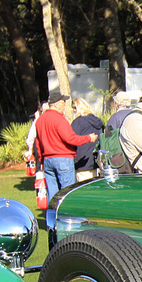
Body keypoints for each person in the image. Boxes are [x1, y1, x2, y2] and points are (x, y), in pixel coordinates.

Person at [34, 88, 96, 237]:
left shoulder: (40, 120)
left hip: (48, 160)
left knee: (53, 194)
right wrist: (88, 138)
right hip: (62, 158)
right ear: (56, 104)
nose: (64, 105)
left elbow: (38, 144)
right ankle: (69, 221)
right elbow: (70, 138)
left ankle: (53, 223)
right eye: (62, 102)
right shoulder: (59, 119)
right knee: (68, 191)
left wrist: (42, 160)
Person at [70, 97, 104, 178]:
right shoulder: (97, 121)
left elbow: (72, 140)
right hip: (95, 160)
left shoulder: (78, 122)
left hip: (82, 160)